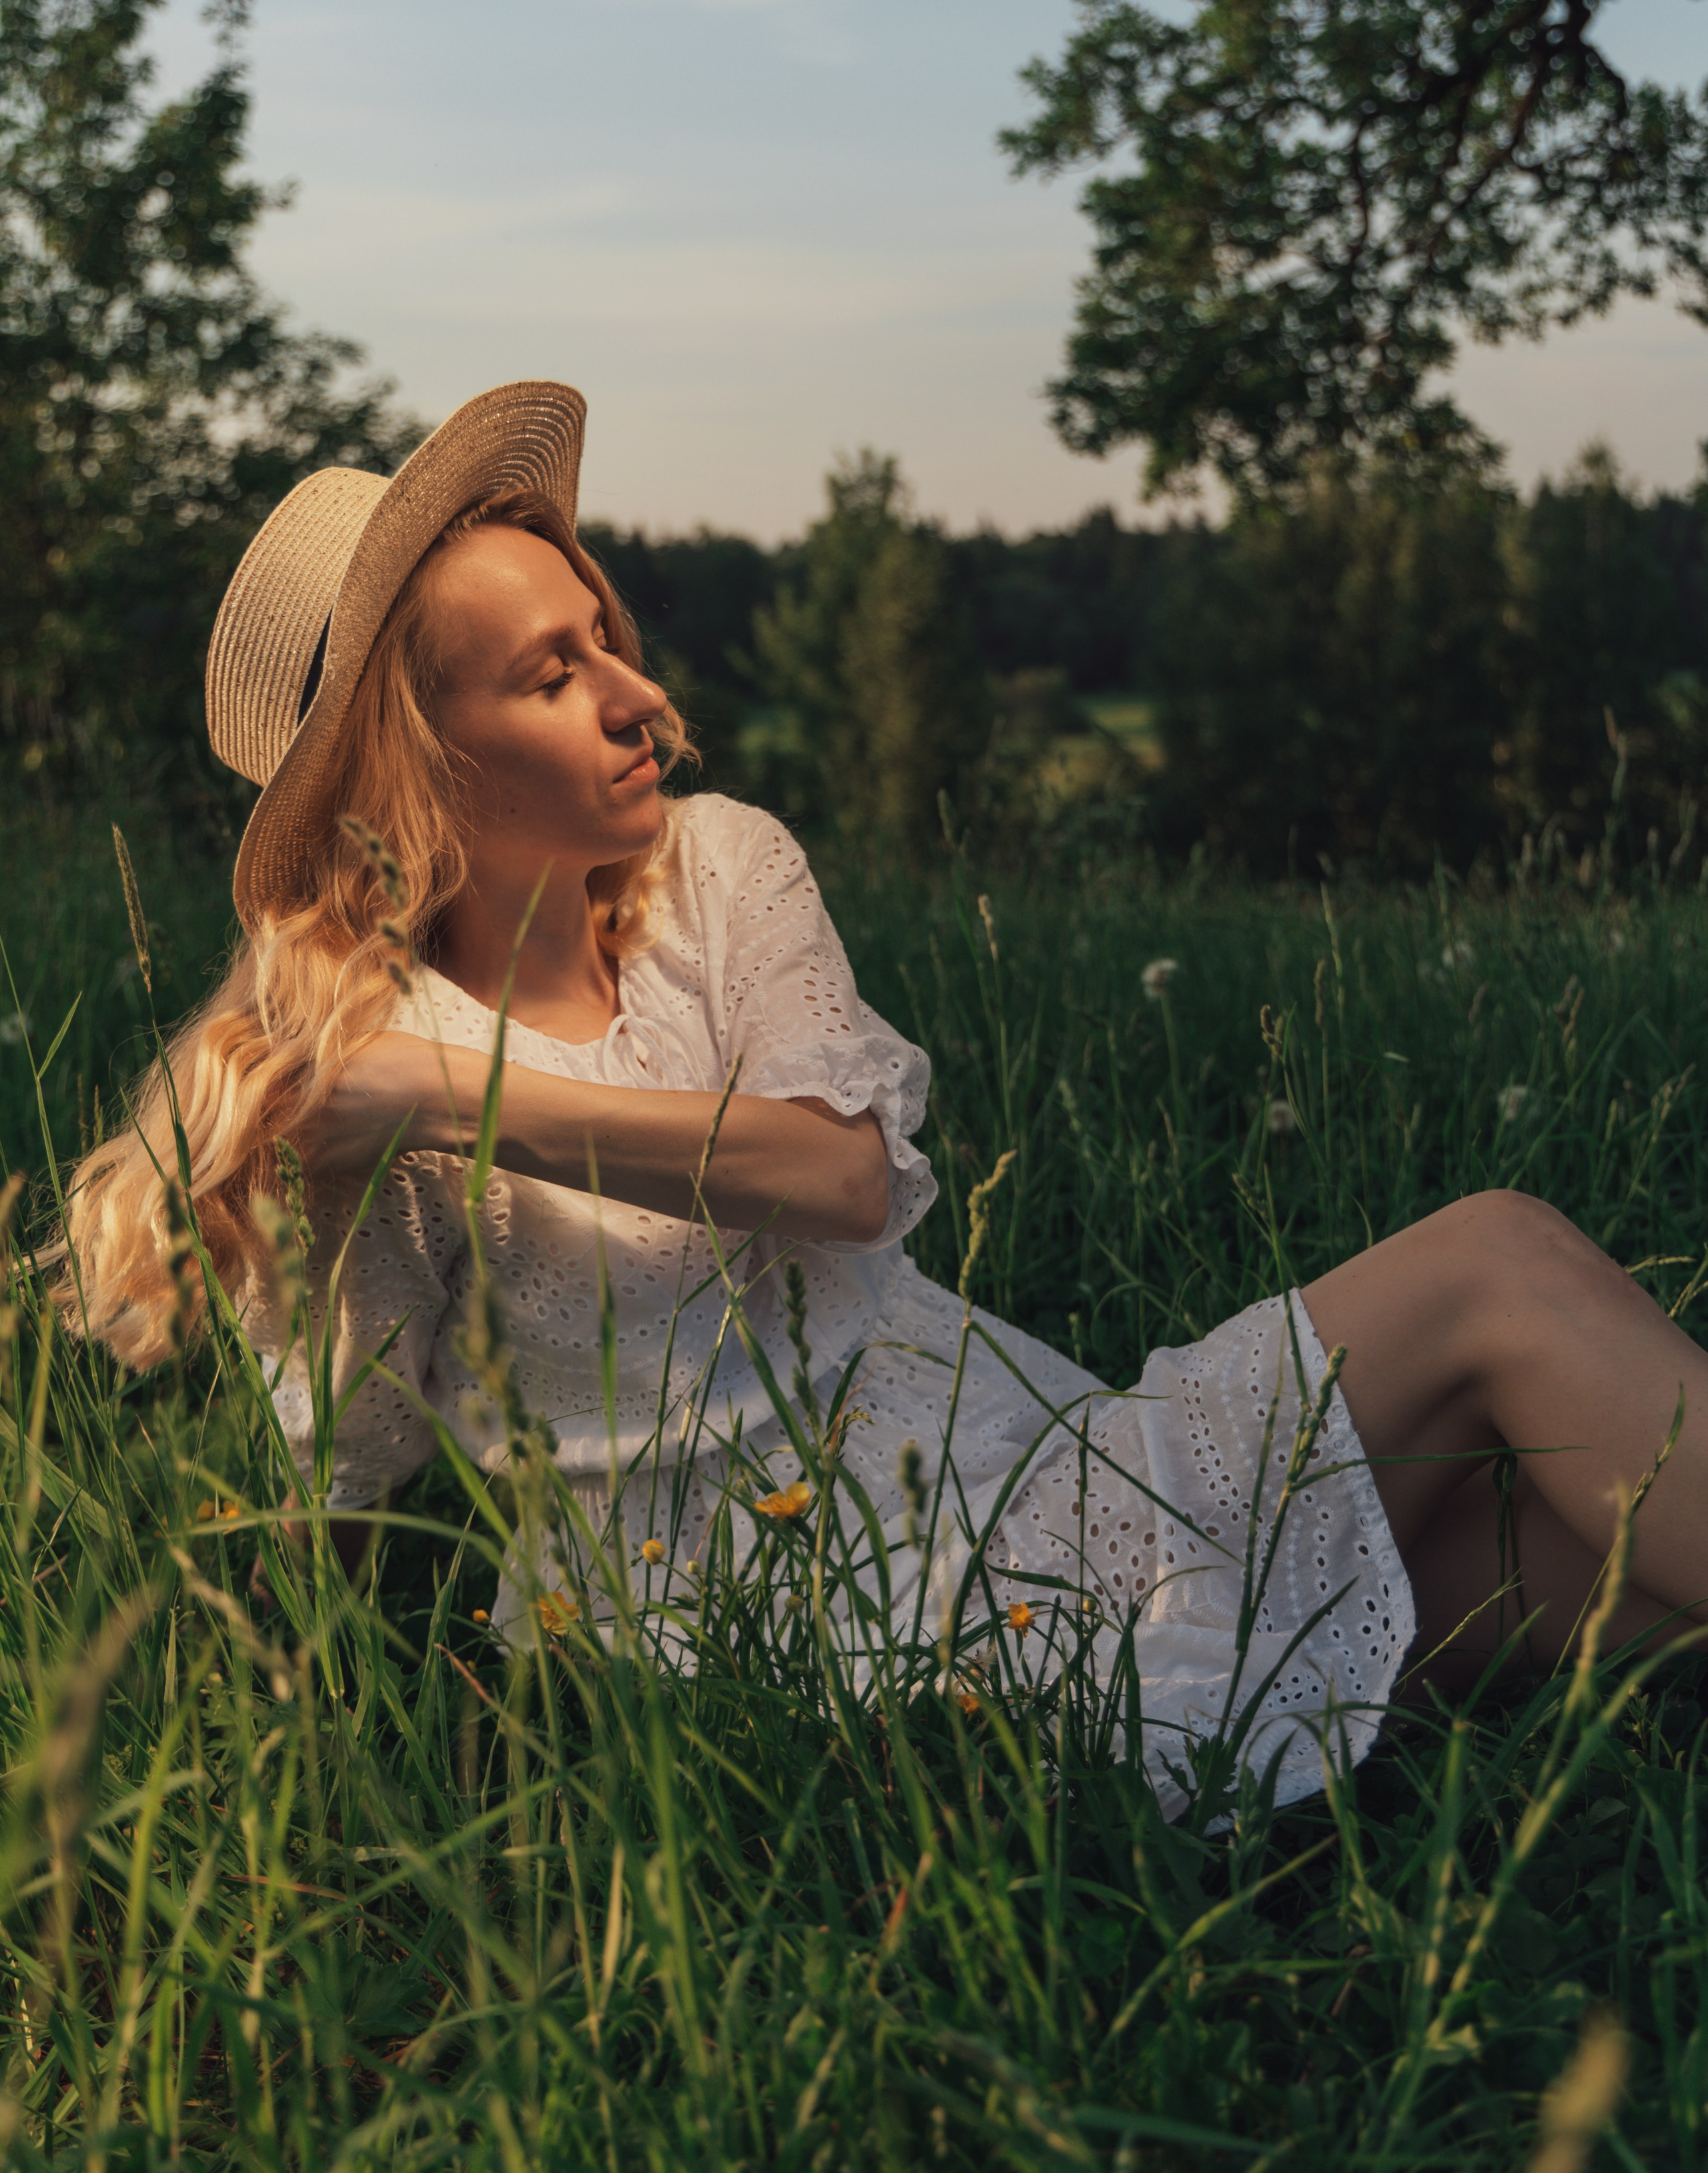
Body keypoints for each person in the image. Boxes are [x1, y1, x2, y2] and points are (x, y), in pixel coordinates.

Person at [61, 383, 1708, 1819]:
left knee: (1615, 1564)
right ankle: (1182, 1708)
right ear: (422, 766)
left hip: (1032, 1468)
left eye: (606, 639)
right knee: (1495, 1261)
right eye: (548, 677)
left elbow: (842, 1177)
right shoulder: (357, 1091)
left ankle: (1247, 1695)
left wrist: (452, 1093)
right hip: (831, 1622)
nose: (634, 694)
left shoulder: (713, 868)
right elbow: (353, 1471)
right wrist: (316, 1736)